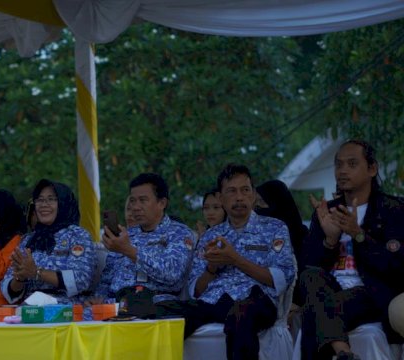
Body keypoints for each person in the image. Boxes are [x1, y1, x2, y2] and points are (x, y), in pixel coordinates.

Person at [159, 164, 296, 360]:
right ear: (221, 199)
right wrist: (211, 269)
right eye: (231, 191)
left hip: (256, 300)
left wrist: (235, 259)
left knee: (240, 315)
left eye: (245, 190)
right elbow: (196, 291)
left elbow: (282, 279)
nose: (239, 197)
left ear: (253, 195)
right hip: (215, 301)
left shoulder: (274, 228)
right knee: (167, 312)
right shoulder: (210, 236)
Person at [300, 140, 404, 359]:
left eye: (352, 164)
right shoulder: (325, 211)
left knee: (314, 313)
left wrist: (358, 234)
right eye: (338, 165)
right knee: (311, 278)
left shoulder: (393, 210)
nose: (343, 170)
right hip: (330, 290)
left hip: (370, 293)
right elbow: (308, 267)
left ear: (372, 169)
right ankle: (345, 353)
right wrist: (330, 241)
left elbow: (396, 268)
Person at [96, 173, 194, 307]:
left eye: (143, 200)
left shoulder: (179, 233)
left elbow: (172, 275)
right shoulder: (126, 235)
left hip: (153, 306)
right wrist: (99, 298)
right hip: (114, 305)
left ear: (162, 203)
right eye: (133, 200)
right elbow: (106, 279)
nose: (135, 207)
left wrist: (129, 250)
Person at [0, 179, 95, 305]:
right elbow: (7, 289)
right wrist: (20, 277)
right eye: (39, 200)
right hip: (30, 310)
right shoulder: (28, 240)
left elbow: (81, 279)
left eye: (51, 199)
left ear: (63, 203)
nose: (44, 204)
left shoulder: (77, 235)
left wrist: (37, 272)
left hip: (67, 310)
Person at [255, 179, 308, 272]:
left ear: (278, 203)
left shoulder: (303, 237)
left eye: (262, 201)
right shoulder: (254, 234)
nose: (257, 207)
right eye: (256, 203)